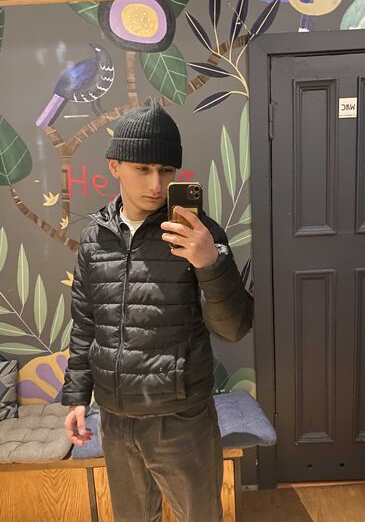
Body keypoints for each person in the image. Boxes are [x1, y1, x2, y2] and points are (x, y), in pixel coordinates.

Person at [61, 97, 254, 522]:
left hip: (180, 416)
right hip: (115, 417)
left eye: (166, 170)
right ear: (114, 166)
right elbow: (86, 324)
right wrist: (76, 397)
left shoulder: (199, 234)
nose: (155, 183)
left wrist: (210, 263)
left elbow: (234, 327)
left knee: (199, 516)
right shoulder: (94, 237)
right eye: (143, 168)